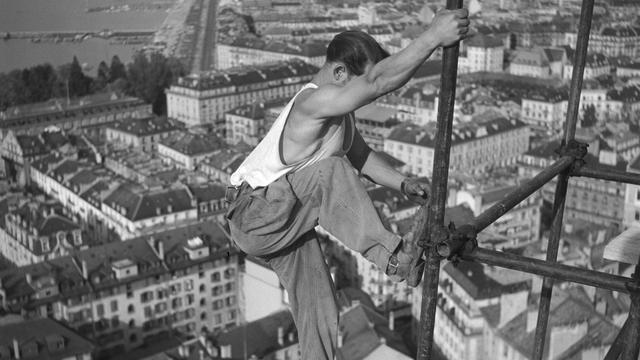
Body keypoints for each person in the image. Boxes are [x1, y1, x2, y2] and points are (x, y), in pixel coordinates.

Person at [224, 8, 470, 360]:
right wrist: (432, 37)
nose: (363, 94)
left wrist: (403, 184)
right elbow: (374, 84)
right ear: (340, 71)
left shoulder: (338, 118)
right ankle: (396, 259)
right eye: (357, 83)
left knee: (317, 299)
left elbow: (363, 157)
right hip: (255, 212)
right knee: (329, 171)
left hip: (280, 219)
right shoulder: (312, 102)